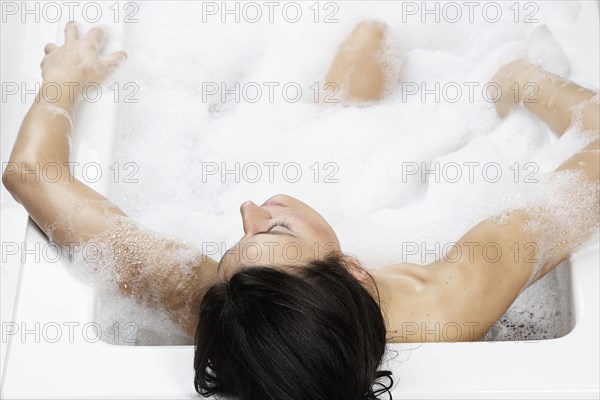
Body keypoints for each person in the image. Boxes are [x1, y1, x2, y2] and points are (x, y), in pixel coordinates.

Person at [3, 20, 598, 400]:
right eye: (273, 229)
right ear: (358, 272)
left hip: (335, 146)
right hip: (366, 161)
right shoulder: (449, 300)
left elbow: (31, 176)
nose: (247, 209)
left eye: (242, 241)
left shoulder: (216, 298)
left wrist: (62, 82)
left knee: (365, 43)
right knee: (370, 36)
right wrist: (525, 79)